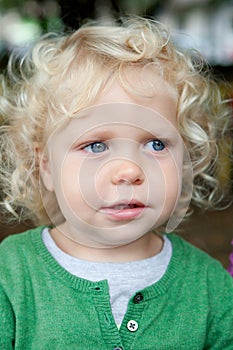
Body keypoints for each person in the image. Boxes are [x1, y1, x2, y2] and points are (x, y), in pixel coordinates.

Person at [0, 16, 232, 350]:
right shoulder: (12, 275)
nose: (128, 171)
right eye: (95, 146)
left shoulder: (209, 286)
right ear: (46, 166)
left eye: (156, 144)